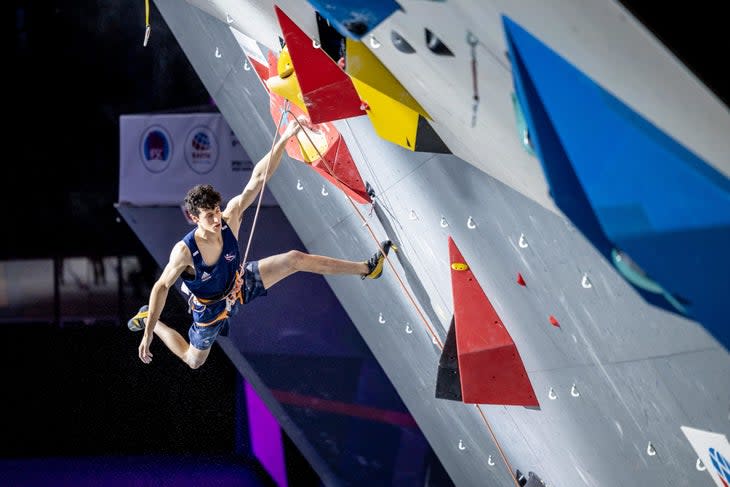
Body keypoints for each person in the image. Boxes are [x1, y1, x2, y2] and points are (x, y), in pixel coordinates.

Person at [127, 117, 395, 369]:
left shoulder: (229, 217)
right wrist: (149, 333)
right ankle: (148, 318)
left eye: (217, 210)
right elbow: (161, 287)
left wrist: (286, 136)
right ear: (195, 218)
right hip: (210, 307)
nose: (217, 218)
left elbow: (257, 179)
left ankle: (367, 268)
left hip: (238, 283)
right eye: (209, 216)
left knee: (294, 259)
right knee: (193, 361)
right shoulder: (185, 251)